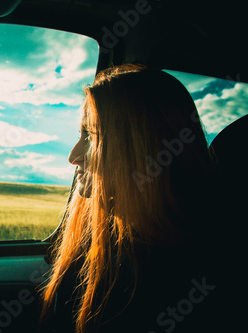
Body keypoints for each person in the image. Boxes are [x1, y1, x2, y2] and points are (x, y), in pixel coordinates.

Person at [39, 64, 229, 333]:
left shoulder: (178, 278)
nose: (73, 156)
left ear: (141, 148)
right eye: (80, 135)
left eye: (90, 136)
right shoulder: (103, 238)